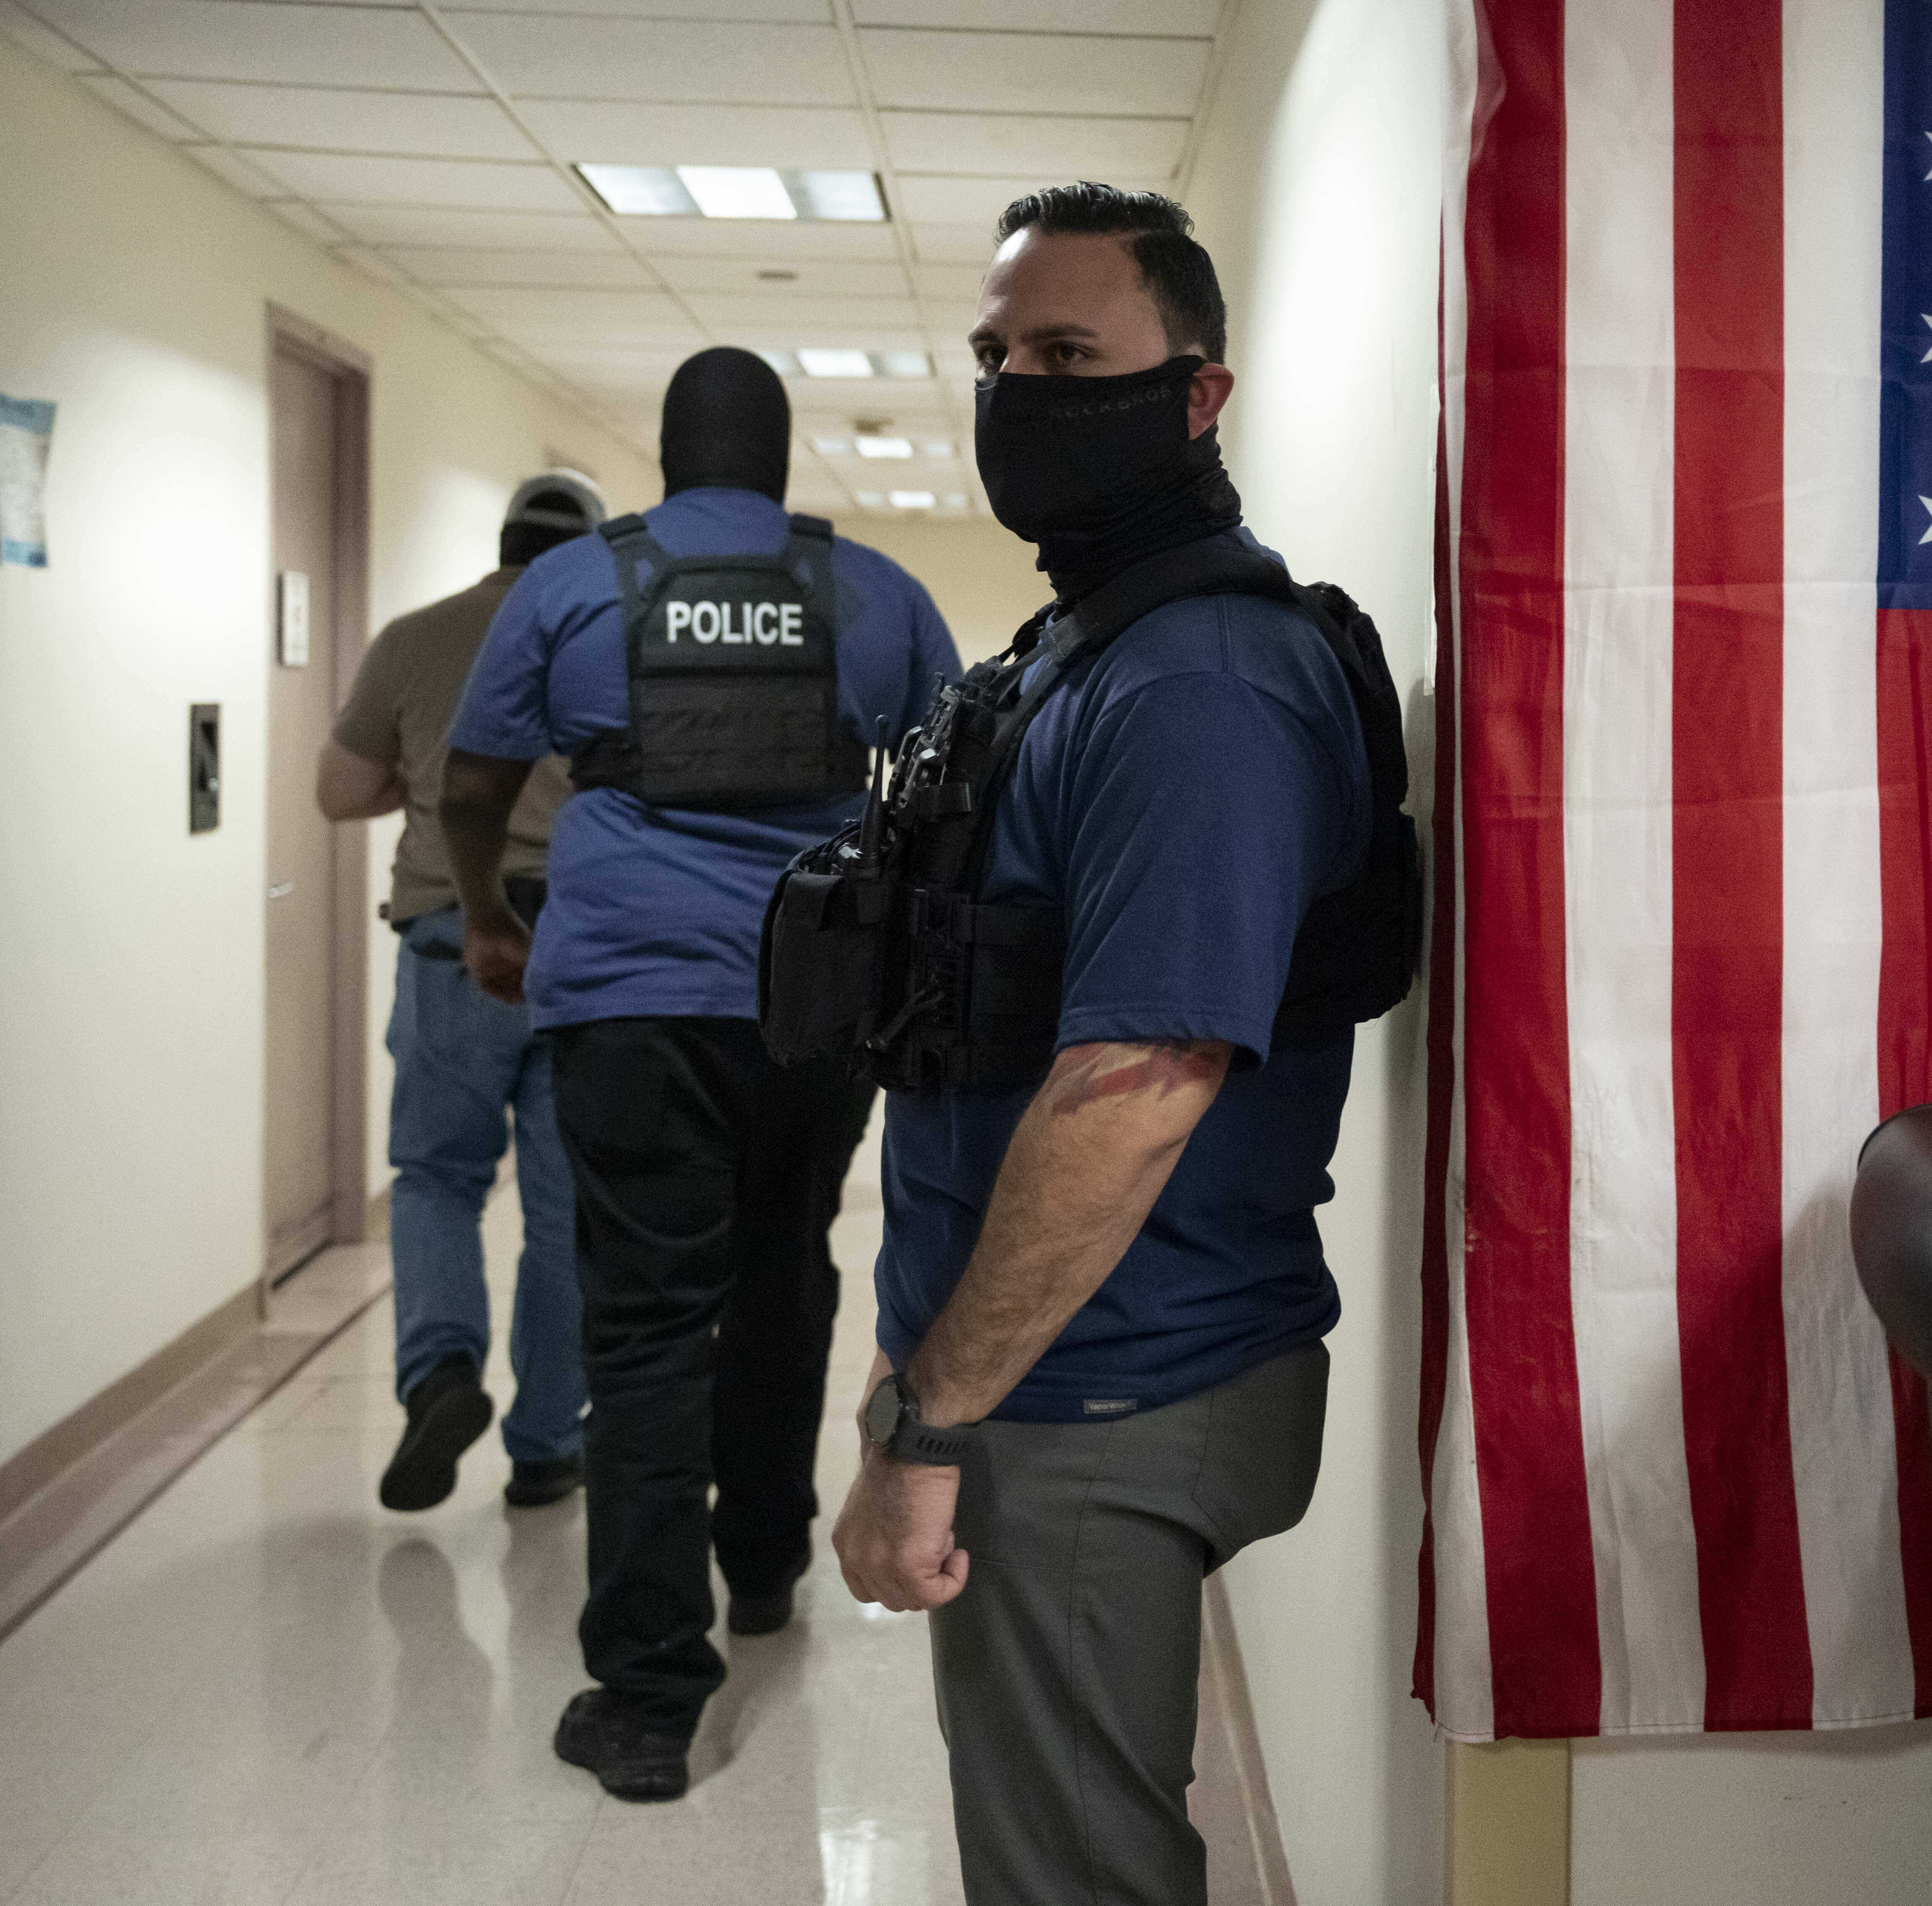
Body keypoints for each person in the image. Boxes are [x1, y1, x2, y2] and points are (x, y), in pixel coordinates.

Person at [829, 183, 1407, 1905]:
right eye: (997, 354)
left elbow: (1136, 1088)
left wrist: (928, 1424)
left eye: (1070, 352)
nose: (1018, 392)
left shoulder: (1197, 686)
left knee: (1069, 1876)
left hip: (1096, 1382)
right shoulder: (1089, 651)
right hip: (1071, 1357)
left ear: (1198, 391)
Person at [440, 348, 959, 1802]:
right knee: (786, 1272)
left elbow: (472, 781)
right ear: (781, 462)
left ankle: (651, 1694)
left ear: (668, 459)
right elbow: (946, 787)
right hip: (811, 1000)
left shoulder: (572, 585)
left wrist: (486, 909)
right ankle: (768, 1563)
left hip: (624, 1001)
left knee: (650, 1326)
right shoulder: (873, 595)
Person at [316, 472, 601, 1515]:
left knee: (436, 1179)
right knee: (566, 1212)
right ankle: (545, 1449)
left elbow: (340, 792)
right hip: (578, 953)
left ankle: (439, 1375)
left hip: (452, 941)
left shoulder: (414, 637)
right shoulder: (602, 638)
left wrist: (419, 777)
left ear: (499, 541)